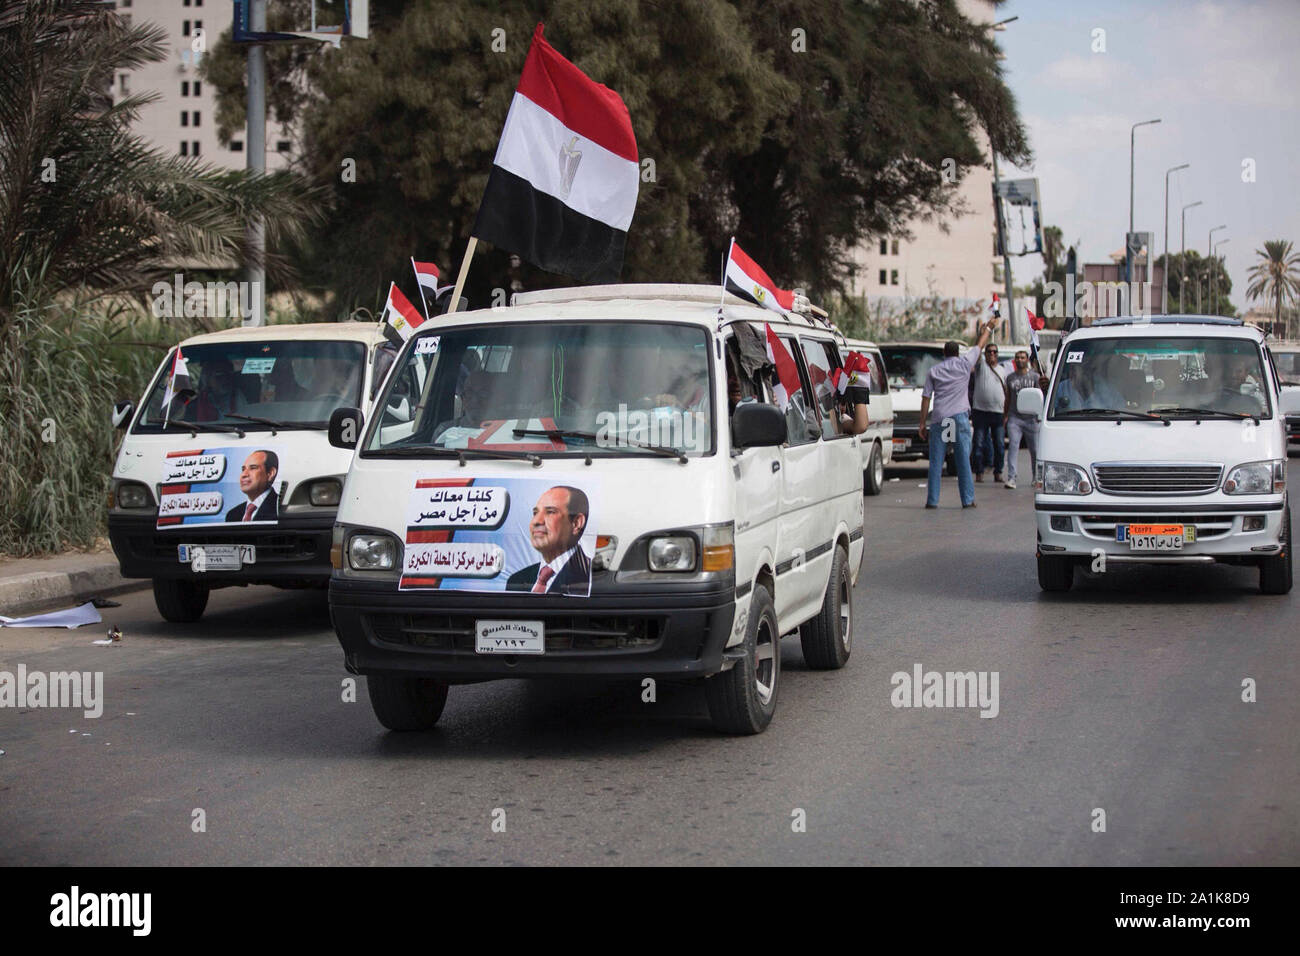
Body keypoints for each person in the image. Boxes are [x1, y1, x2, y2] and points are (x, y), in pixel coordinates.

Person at [917, 318, 996, 508]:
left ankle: (932, 500)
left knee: (936, 462)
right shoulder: (964, 364)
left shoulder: (934, 371)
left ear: (944, 353)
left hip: (941, 419)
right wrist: (989, 327)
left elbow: (926, 397)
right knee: (962, 462)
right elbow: (980, 345)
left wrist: (922, 423)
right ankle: (967, 500)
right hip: (958, 417)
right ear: (957, 352)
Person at [506, 486, 593, 594]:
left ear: (576, 523)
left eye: (550, 512)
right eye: (535, 513)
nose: (536, 521)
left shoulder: (592, 578)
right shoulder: (516, 580)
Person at [1002, 350, 1041, 490]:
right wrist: (1005, 415)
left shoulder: (1035, 377)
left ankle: (1036, 477)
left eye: (1022, 357)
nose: (1019, 360)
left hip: (1032, 418)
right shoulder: (1010, 378)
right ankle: (1012, 477)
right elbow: (1008, 397)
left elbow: (1040, 397)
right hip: (1015, 417)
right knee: (1013, 446)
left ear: (1027, 360)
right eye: (1017, 358)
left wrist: (1040, 415)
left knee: (1035, 450)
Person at [970, 342, 1009, 483]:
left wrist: (1006, 413)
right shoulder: (981, 367)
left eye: (994, 352)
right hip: (980, 412)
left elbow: (1007, 392)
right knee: (979, 443)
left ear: (997, 354)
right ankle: (979, 471)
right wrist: (982, 334)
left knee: (999, 444)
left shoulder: (1003, 370)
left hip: (998, 412)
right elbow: (976, 352)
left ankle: (998, 472)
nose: (992, 354)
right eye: (989, 352)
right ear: (985, 354)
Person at [224, 450, 279, 522]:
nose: (244, 474)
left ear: (270, 473)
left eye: (253, 468)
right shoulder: (232, 515)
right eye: (243, 469)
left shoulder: (278, 508)